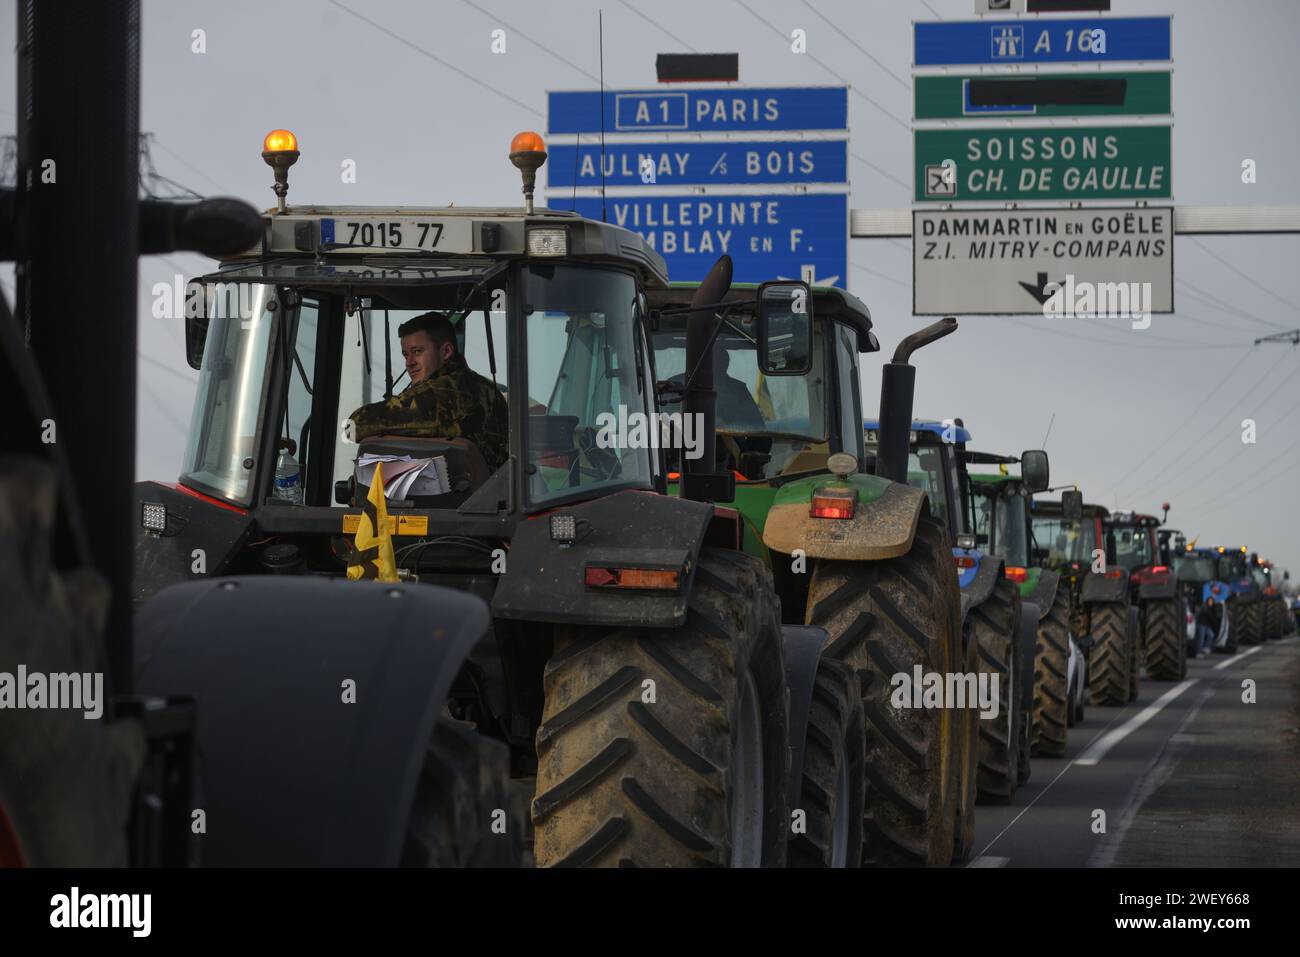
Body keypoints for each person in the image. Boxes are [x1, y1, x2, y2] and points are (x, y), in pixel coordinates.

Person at [348, 311, 509, 472]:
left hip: (468, 496)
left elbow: (354, 426)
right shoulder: (485, 388)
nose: (409, 363)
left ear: (446, 351)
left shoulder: (446, 393)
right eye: (406, 355)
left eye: (417, 351)